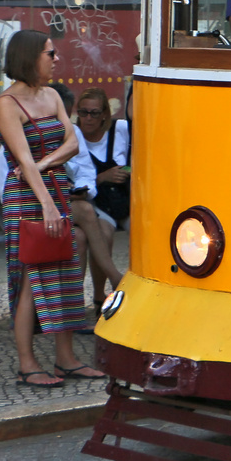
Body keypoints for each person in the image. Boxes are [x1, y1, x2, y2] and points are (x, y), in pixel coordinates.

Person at [0, 31, 102, 387]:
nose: (55, 59)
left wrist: (41, 167)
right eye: (49, 53)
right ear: (30, 57)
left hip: (51, 186)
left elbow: (72, 143)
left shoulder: (53, 94)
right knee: (31, 276)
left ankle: (65, 359)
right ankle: (28, 364)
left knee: (67, 270)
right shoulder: (7, 104)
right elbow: (22, 156)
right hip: (28, 197)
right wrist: (45, 200)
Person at [74, 86, 129, 318]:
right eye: (84, 112)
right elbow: (78, 178)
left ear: (105, 114)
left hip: (124, 199)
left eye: (94, 113)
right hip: (98, 202)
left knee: (146, 232)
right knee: (103, 235)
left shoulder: (121, 130)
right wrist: (103, 177)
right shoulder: (74, 138)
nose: (88, 118)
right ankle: (99, 295)